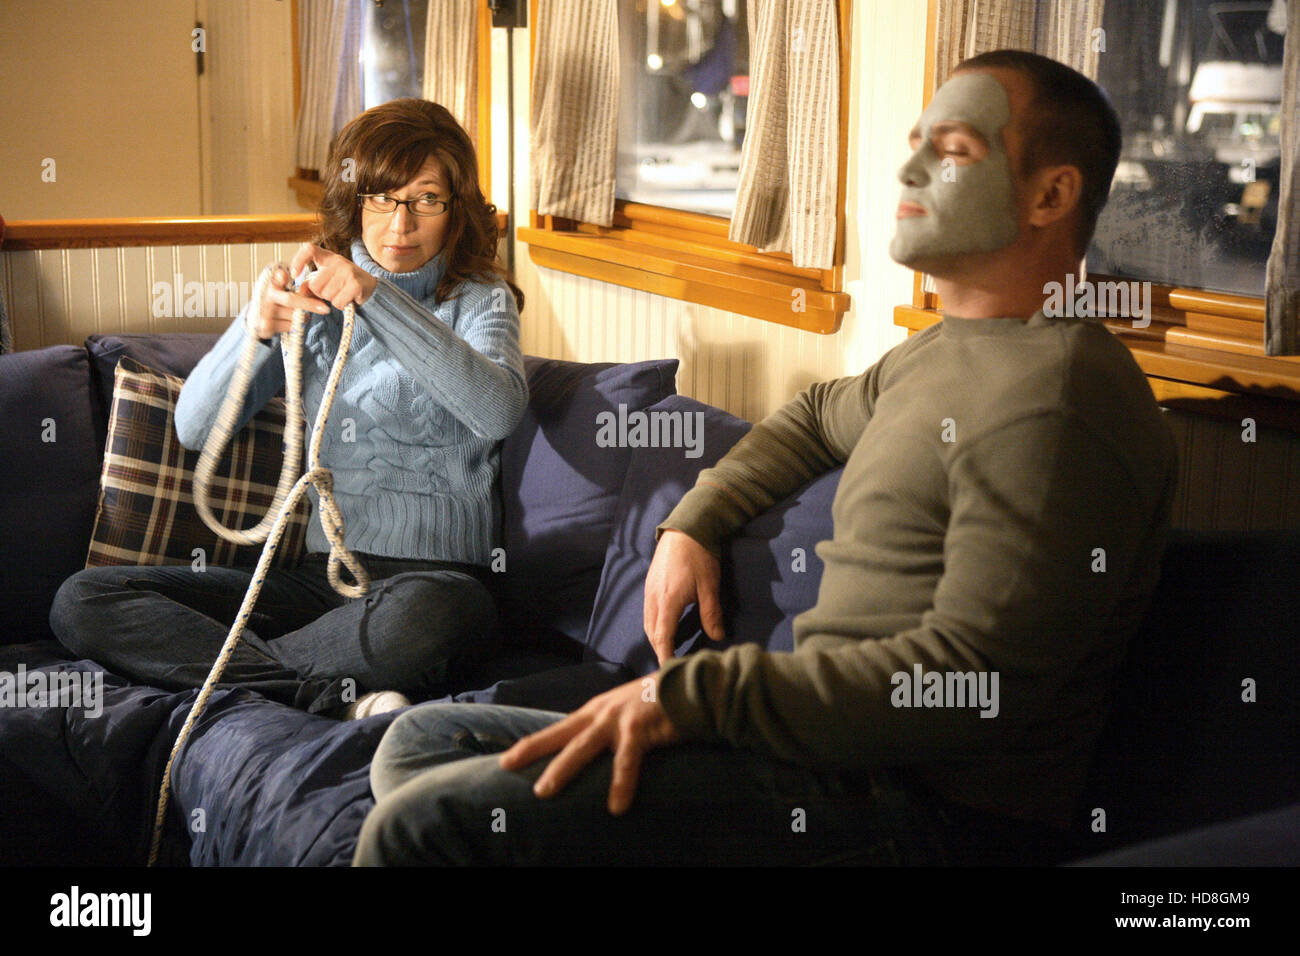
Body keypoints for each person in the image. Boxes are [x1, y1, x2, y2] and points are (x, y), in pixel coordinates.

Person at [352, 51, 1179, 865]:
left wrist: (693, 698)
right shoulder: (943, 353)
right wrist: (695, 521)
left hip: (913, 806)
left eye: (953, 150)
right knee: (423, 742)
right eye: (915, 143)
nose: (909, 170)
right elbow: (816, 418)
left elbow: (970, 685)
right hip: (808, 754)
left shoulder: (1058, 397)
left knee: (419, 827)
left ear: (1049, 195)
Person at [50, 99, 526, 719]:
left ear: (455, 206)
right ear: (355, 201)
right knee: (84, 599)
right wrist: (255, 330)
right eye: (382, 198)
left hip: (434, 585)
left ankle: (240, 679)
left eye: (426, 199)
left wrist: (376, 297)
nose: (400, 224)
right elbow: (195, 429)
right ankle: (317, 694)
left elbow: (497, 411)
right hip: (316, 580)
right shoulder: (316, 302)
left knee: (437, 617)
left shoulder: (480, 298)